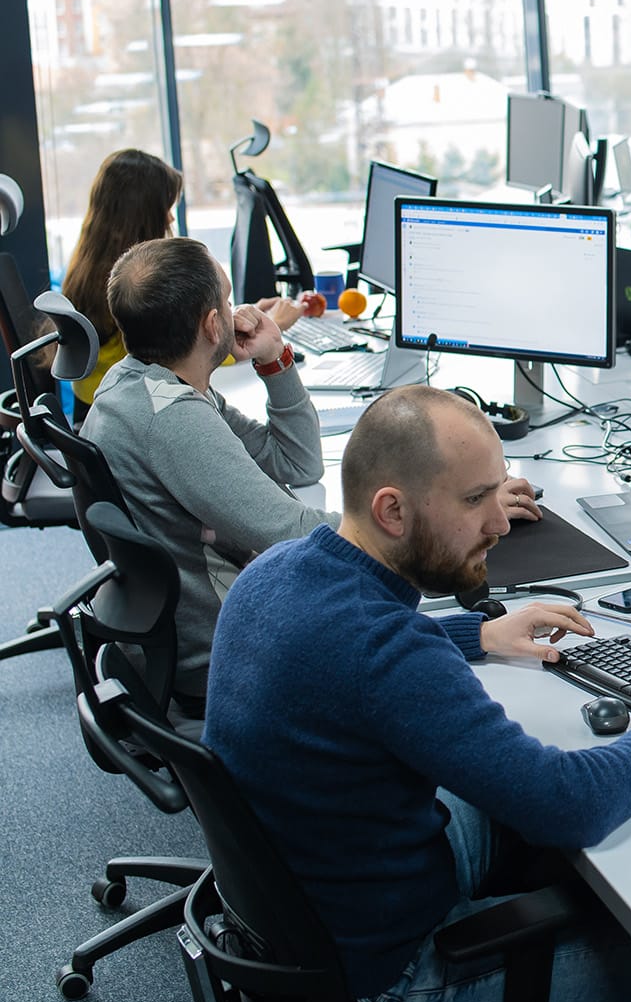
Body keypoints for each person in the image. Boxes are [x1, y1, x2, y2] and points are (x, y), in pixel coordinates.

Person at [203, 384, 631, 1002]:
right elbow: (569, 804)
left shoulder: (279, 569)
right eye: (476, 501)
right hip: (382, 992)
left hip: (308, 921)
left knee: (515, 814)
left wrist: (477, 634)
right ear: (392, 510)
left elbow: (346, 658)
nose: (501, 525)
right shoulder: (385, 652)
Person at [84, 237, 540, 715]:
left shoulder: (139, 383)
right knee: (395, 614)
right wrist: (458, 514)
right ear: (213, 324)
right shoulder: (174, 421)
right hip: (228, 655)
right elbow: (296, 533)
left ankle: (480, 633)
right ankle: (481, 638)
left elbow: (296, 462)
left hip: (197, 627)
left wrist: (275, 358)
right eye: (226, 297)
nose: (238, 307)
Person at [55, 149, 311, 421]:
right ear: (140, 215)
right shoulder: (134, 285)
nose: (170, 219)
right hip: (128, 415)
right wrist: (271, 329)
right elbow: (177, 354)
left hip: (99, 409)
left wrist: (232, 320)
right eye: (164, 209)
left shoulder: (90, 263)